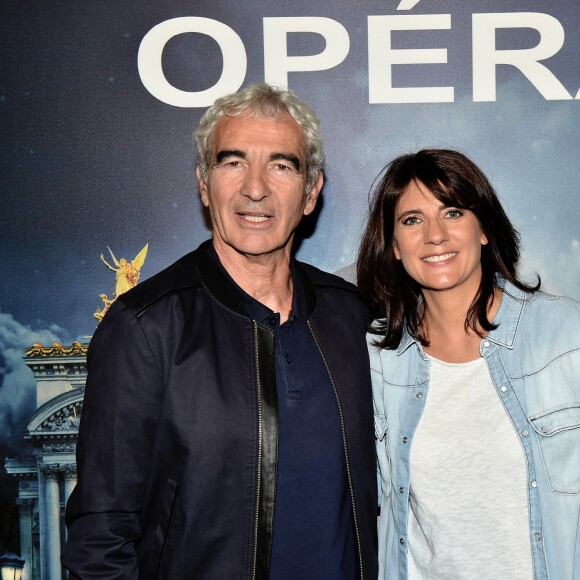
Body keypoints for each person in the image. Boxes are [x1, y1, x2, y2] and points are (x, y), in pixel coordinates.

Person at [62, 83, 378, 579]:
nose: (255, 187)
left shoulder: (350, 316)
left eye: (281, 164)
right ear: (205, 185)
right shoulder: (145, 328)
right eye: (233, 162)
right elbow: (101, 537)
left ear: (311, 191)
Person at [357, 149, 580, 580]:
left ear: (483, 230)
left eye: (452, 212)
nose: (435, 235)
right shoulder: (378, 359)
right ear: (394, 247)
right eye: (412, 220)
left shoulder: (564, 334)